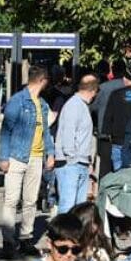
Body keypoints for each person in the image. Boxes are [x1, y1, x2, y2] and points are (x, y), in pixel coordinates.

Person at [0, 65, 55, 259]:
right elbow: (6, 130)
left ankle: (25, 238)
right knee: (11, 200)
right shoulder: (17, 101)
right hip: (17, 156)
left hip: (36, 158)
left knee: (31, 201)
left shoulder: (43, 105)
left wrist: (50, 153)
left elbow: (46, 131)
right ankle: (8, 241)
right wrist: (4, 157)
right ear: (42, 81)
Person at [54, 74, 99, 213]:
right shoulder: (74, 105)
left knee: (79, 208)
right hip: (71, 163)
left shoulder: (81, 105)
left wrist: (87, 162)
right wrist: (72, 158)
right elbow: (69, 133)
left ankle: (74, 234)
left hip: (80, 162)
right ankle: (62, 234)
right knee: (68, 205)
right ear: (92, 91)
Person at [99, 59, 131, 173]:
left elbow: (107, 119)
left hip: (118, 142)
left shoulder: (115, 95)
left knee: (120, 177)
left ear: (124, 79)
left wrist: (108, 135)